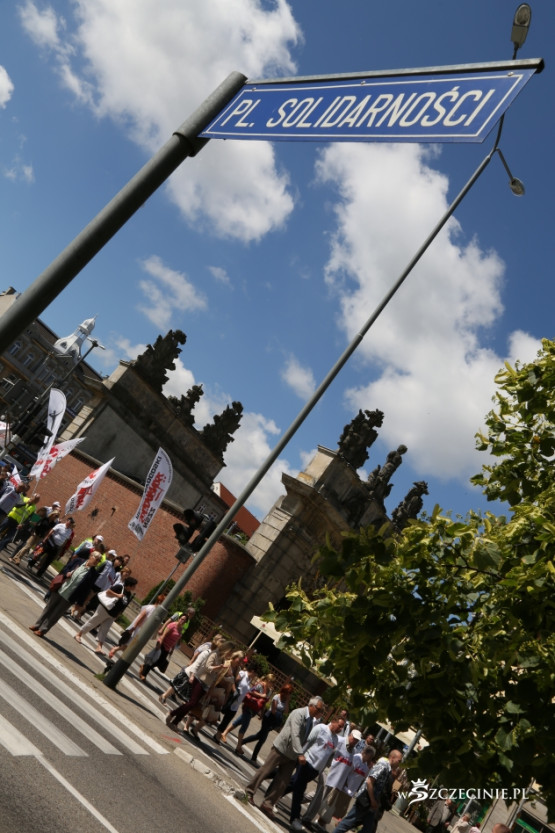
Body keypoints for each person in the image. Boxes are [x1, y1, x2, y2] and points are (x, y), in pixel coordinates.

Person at [245, 696, 325, 818]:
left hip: (292, 756)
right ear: (311, 706)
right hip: (281, 749)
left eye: (321, 710)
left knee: (283, 782)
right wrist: (300, 753)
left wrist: (299, 754)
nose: (319, 712)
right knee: (266, 770)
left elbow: (304, 739)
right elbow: (295, 734)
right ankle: (249, 792)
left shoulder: (310, 720)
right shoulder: (299, 713)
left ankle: (268, 804)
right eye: (319, 709)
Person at [288, 714, 345, 831]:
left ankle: (272, 793)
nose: (340, 729)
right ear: (333, 721)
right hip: (306, 762)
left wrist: (320, 770)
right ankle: (294, 819)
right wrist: (300, 756)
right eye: (339, 726)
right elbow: (307, 742)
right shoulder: (321, 728)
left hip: (315, 770)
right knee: (299, 790)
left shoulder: (335, 739)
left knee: (292, 783)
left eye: (342, 728)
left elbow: (327, 756)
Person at [165, 639, 235, 729]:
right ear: (227, 649)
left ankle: (175, 722)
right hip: (200, 679)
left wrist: (212, 687)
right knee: (192, 703)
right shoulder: (214, 654)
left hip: (207, 684)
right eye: (231, 652)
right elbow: (207, 667)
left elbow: (216, 675)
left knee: (191, 704)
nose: (231, 654)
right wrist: (218, 667)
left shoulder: (222, 659)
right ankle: (172, 713)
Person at [29, 551, 103, 636]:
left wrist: (79, 603)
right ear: (90, 556)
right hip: (61, 589)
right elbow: (65, 569)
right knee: (48, 608)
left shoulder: (93, 574)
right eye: (96, 559)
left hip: (70, 596)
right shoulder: (78, 561)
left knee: (56, 614)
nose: (97, 561)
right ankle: (37, 625)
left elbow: (86, 590)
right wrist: (66, 573)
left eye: (99, 560)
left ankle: (42, 630)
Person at [334, 749, 403, 833]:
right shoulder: (383, 765)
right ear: (392, 758)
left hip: (372, 804)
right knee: (348, 823)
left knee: (368, 829)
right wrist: (373, 800)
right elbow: (369, 782)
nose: (399, 764)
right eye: (399, 761)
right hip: (365, 799)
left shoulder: (388, 769)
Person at [74, 573, 137, 654]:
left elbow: (124, 605)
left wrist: (117, 615)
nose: (135, 587)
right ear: (130, 585)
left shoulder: (129, 594)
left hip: (112, 614)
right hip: (105, 609)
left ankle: (99, 647)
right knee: (93, 621)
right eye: (134, 585)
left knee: (105, 630)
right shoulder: (120, 587)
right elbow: (108, 592)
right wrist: (117, 595)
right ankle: (78, 634)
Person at [243, 683, 293, 762]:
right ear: (284, 692)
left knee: (259, 736)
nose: (289, 695)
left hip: (274, 721)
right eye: (288, 693)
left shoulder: (285, 701)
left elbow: (286, 711)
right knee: (262, 738)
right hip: (268, 718)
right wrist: (279, 715)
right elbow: (273, 710)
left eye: (290, 693)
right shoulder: (277, 697)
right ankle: (253, 756)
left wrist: (287, 701)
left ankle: (243, 742)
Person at [108, 593, 167, 659]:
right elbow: (140, 617)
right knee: (129, 646)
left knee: (129, 647)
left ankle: (118, 654)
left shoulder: (158, 612)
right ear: (159, 601)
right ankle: (116, 651)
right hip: (137, 629)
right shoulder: (150, 608)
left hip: (143, 631)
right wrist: (133, 627)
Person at [139, 614, 189, 681]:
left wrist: (172, 649)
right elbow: (164, 635)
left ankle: (144, 666)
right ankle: (143, 674)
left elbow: (175, 640)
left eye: (184, 620)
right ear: (179, 618)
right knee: (154, 660)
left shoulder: (181, 630)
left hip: (168, 647)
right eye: (182, 619)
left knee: (160, 662)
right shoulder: (172, 625)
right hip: (162, 644)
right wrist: (159, 644)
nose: (182, 621)